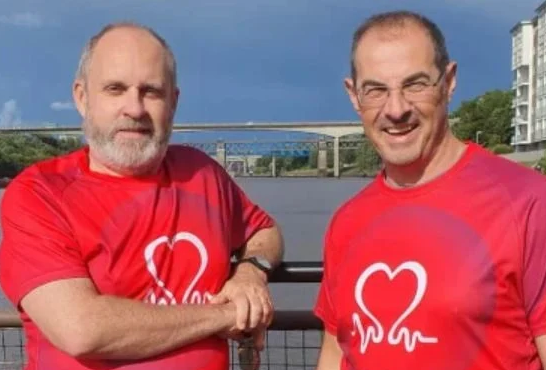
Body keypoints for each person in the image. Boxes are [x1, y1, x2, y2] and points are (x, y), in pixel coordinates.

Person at [0, 22, 284, 370]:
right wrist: (228, 315)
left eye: (151, 91)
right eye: (115, 89)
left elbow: (263, 231)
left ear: (174, 102)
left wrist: (250, 273)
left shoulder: (202, 173)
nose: (134, 109)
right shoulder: (40, 193)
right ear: (81, 97)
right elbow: (82, 330)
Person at [314, 10, 546, 370]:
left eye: (415, 85)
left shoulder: (529, 202)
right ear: (354, 95)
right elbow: (335, 352)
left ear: (449, 82)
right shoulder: (347, 222)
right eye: (375, 90)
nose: (395, 109)